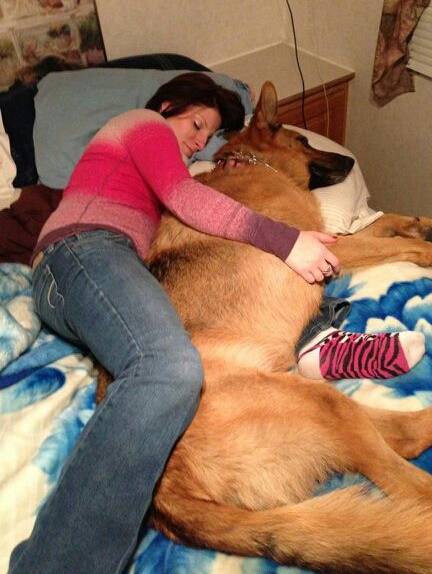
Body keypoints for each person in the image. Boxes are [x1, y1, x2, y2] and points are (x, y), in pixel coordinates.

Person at [8, 72, 424, 574]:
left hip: (92, 272)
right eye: (197, 124)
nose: (199, 141)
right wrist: (286, 240)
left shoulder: (153, 179)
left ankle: (333, 356)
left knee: (154, 359)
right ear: (167, 106)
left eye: (209, 135)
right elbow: (187, 198)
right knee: (167, 367)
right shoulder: (143, 125)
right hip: (80, 251)